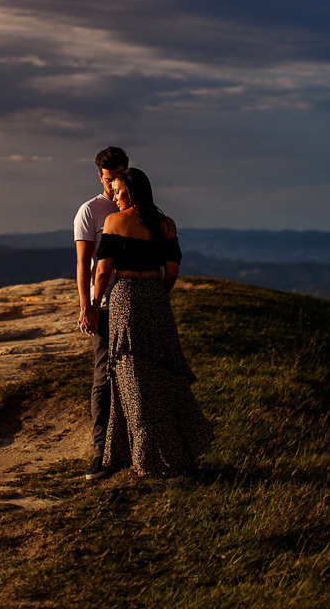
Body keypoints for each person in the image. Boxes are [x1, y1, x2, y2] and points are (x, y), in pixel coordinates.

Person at [90, 168, 213, 477]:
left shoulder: (114, 222)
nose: (115, 197)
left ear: (130, 192)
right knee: (162, 371)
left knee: (130, 376)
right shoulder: (166, 225)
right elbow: (171, 270)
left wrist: (93, 304)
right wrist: (157, 294)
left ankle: (143, 457)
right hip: (156, 298)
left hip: (126, 297)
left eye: (118, 192)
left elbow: (103, 271)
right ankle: (177, 448)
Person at [74, 146, 129, 480]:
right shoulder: (89, 211)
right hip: (106, 305)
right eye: (107, 180)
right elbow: (83, 263)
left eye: (117, 178)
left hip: (135, 302)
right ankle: (100, 453)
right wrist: (86, 306)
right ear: (100, 176)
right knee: (103, 378)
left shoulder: (135, 206)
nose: (112, 186)